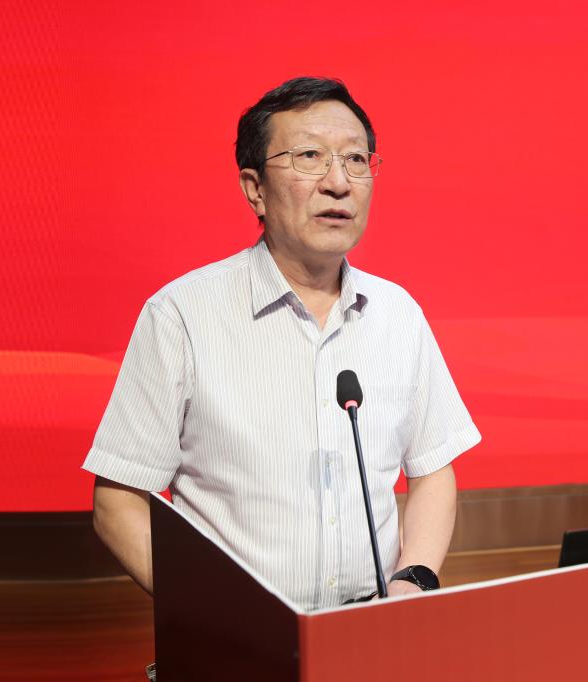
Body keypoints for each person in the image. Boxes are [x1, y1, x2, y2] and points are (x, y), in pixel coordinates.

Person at [83, 77, 480, 610]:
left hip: (369, 629)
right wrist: (214, 610)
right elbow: (118, 500)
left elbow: (432, 470)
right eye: (309, 157)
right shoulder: (182, 315)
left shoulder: (397, 314)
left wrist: (415, 579)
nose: (338, 182)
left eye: (356, 159)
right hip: (237, 635)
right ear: (255, 188)